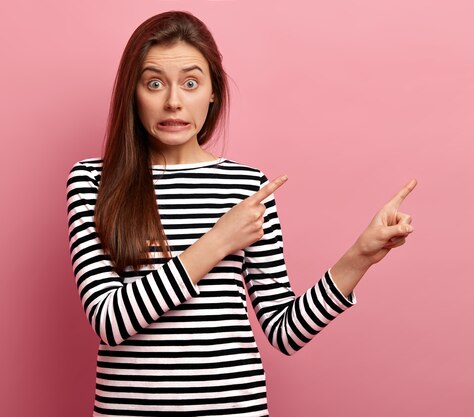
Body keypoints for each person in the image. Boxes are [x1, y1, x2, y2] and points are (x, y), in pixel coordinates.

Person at [65, 10, 416, 417]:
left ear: (212, 92)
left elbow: (285, 330)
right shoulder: (94, 180)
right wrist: (218, 241)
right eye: (155, 83)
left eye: (191, 83)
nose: (174, 101)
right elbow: (110, 320)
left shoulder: (246, 186)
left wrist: (360, 256)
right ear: (133, 91)